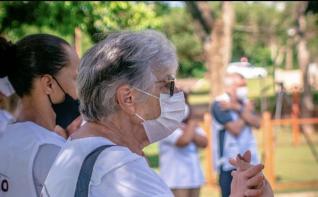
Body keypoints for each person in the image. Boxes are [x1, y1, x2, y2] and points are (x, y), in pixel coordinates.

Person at [42, 30, 269, 197]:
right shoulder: (122, 172)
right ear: (128, 99)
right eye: (167, 85)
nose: (177, 92)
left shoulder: (75, 149)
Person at [0, 34, 79, 196]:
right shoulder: (54, 152)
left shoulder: (5, 137)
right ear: (48, 84)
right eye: (75, 78)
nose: (80, 91)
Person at [211, 72, 261, 197]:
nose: (244, 89)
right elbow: (235, 129)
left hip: (251, 162)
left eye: (245, 85)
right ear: (228, 87)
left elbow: (258, 123)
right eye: (239, 86)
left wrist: (237, 108)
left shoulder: (243, 103)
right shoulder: (219, 104)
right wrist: (245, 112)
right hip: (229, 165)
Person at [159, 92, 208, 197]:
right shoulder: (165, 124)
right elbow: (183, 141)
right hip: (176, 179)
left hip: (194, 177)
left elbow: (204, 142)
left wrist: (189, 129)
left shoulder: (189, 124)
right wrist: (192, 125)